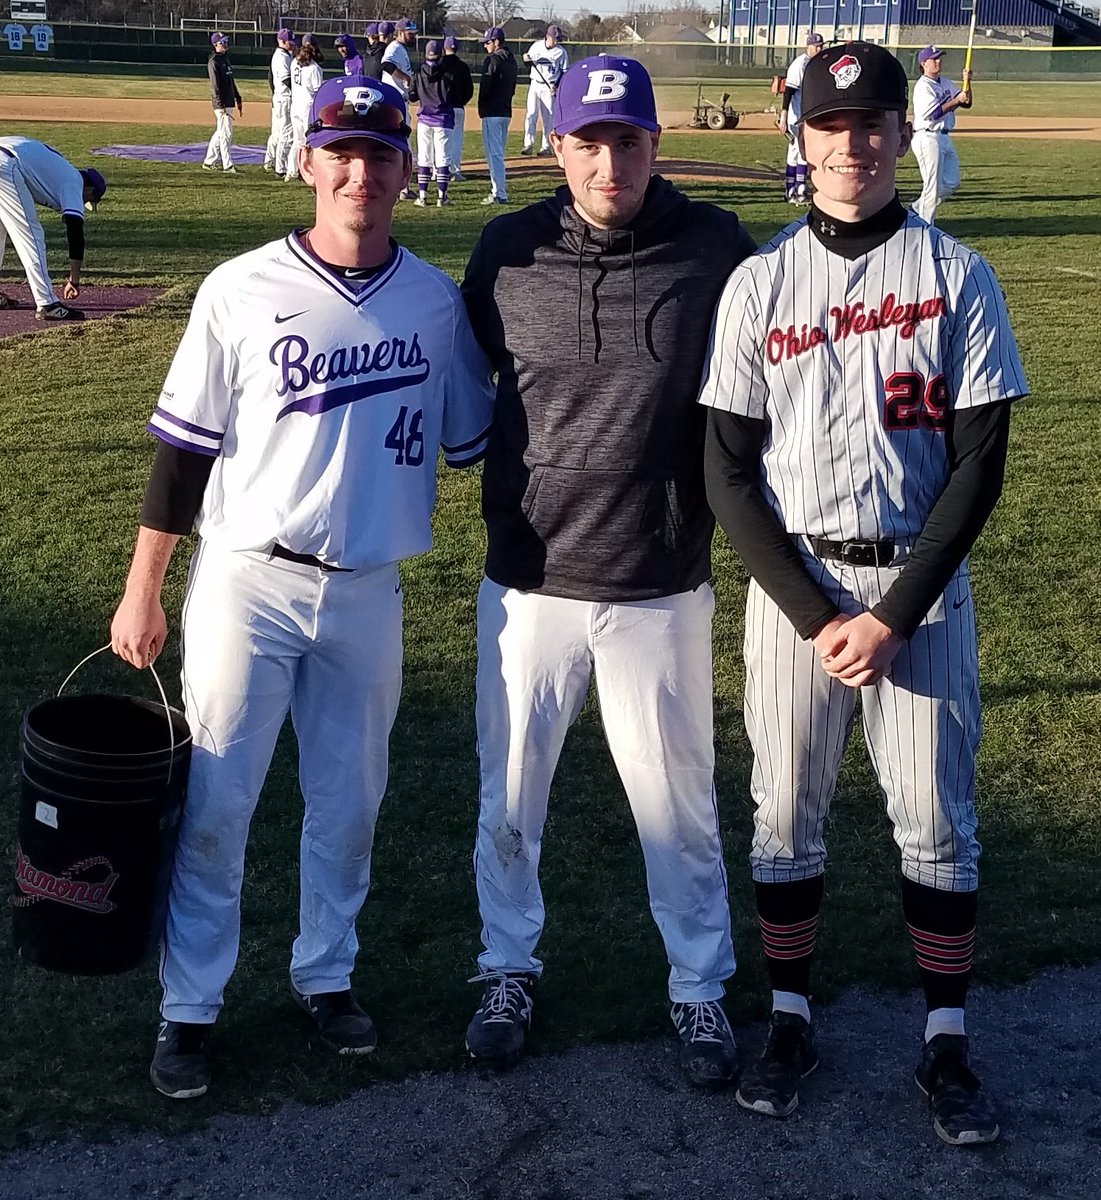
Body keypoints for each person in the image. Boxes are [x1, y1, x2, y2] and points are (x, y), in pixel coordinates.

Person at [109, 74, 494, 1102]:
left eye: (380, 153)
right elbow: (182, 456)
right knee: (219, 805)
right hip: (247, 582)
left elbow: (477, 442)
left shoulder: (434, 300)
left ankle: (326, 975)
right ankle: (188, 1008)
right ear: (310, 163)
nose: (360, 170)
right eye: (341, 151)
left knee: (351, 805)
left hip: (369, 588)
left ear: (409, 170)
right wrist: (144, 587)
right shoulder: (239, 287)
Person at [698, 41, 1027, 1145]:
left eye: (873, 122)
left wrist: (890, 616)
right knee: (783, 821)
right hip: (799, 592)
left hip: (919, 590)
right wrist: (820, 613)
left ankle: (945, 1043)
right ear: (804, 136)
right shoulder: (759, 283)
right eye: (832, 125)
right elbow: (725, 471)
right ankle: (789, 1019)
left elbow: (980, 463)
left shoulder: (958, 276)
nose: (853, 144)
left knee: (936, 828)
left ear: (902, 131)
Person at [459, 55, 756, 1087]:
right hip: (529, 580)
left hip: (658, 577)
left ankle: (699, 989)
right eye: (589, 142)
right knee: (509, 798)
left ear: (655, 144)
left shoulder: (715, 245)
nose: (609, 161)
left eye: (628, 140)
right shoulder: (507, 249)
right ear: (557, 147)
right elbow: (475, 393)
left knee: (678, 805)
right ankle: (505, 968)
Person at [0, 136, 105, 320]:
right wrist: (74, 280)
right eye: (88, 200)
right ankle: (47, 304)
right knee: (31, 235)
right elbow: (75, 233)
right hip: (6, 165)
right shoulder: (75, 183)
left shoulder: (63, 169)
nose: (84, 203)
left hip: (6, 155)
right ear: (90, 190)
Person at [911, 45, 973, 223]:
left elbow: (966, 102)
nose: (939, 61)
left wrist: (967, 82)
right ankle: (925, 225)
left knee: (952, 182)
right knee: (932, 187)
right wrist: (956, 101)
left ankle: (917, 208)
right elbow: (934, 114)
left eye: (940, 58)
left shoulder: (944, 82)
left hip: (944, 137)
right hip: (927, 136)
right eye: (934, 59)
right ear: (924, 63)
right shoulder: (923, 86)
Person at [778, 31, 823, 204]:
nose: (819, 49)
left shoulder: (813, 63)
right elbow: (788, 91)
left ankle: (791, 190)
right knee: (803, 152)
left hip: (803, 115)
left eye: (821, 46)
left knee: (795, 152)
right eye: (816, 46)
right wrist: (784, 115)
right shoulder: (800, 64)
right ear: (808, 46)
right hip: (796, 116)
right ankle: (800, 190)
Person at [410, 40, 456, 207]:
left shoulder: (418, 72)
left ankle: (422, 197)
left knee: (424, 157)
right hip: (443, 119)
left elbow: (412, 96)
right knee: (443, 158)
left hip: (424, 119)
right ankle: (442, 197)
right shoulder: (448, 73)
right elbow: (455, 95)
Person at [477, 27, 517, 206]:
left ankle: (499, 193)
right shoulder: (512, 60)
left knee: (494, 154)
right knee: (498, 152)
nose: (485, 46)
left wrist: (482, 108)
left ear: (497, 42)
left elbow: (485, 87)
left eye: (488, 42)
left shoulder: (492, 60)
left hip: (492, 112)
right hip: (506, 111)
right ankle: (499, 191)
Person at [520, 24, 568, 157]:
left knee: (548, 117)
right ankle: (528, 144)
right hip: (535, 84)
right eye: (555, 38)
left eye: (558, 38)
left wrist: (556, 85)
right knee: (531, 114)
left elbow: (564, 72)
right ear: (548, 36)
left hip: (549, 86)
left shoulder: (561, 52)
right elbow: (527, 60)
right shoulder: (536, 46)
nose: (557, 41)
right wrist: (526, 59)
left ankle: (546, 146)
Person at [284, 34, 325, 183]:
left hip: (295, 106)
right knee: (310, 142)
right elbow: (317, 91)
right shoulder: (315, 68)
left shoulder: (294, 62)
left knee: (298, 141)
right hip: (307, 107)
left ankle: (291, 171)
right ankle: (308, 171)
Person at [202, 32, 243, 174]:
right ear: (215, 45)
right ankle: (228, 164)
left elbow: (231, 81)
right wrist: (221, 104)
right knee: (226, 134)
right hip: (222, 104)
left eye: (226, 41)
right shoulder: (214, 62)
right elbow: (215, 86)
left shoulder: (225, 59)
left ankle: (209, 161)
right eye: (222, 42)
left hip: (229, 101)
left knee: (221, 133)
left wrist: (238, 97)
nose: (225, 44)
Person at [263, 27, 296, 174]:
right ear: (282, 41)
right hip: (284, 98)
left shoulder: (283, 55)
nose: (293, 43)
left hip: (279, 98)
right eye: (290, 41)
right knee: (286, 133)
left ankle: (269, 160)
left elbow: (270, 78)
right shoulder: (282, 57)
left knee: (277, 133)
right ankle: (281, 167)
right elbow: (286, 80)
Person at [441, 36, 474, 181]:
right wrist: (461, 101)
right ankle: (454, 170)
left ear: (444, 48)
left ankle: (440, 170)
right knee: (456, 139)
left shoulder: (439, 65)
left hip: (441, 108)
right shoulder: (463, 66)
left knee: (441, 139)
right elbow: (470, 90)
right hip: (458, 107)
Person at [381, 18, 416, 96]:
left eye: (414, 33)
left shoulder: (400, 48)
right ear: (400, 33)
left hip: (399, 97)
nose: (413, 36)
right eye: (410, 33)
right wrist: (405, 77)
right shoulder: (394, 47)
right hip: (393, 98)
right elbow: (386, 65)